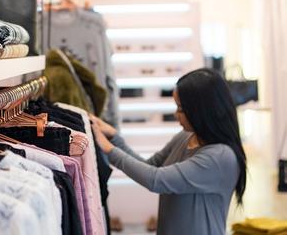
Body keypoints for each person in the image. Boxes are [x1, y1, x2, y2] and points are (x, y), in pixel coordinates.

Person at [90, 68, 247, 235]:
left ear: (202, 110)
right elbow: (149, 166)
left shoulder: (220, 157)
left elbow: (156, 180)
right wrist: (114, 138)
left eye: (181, 108)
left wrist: (109, 149)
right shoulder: (185, 137)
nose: (176, 114)